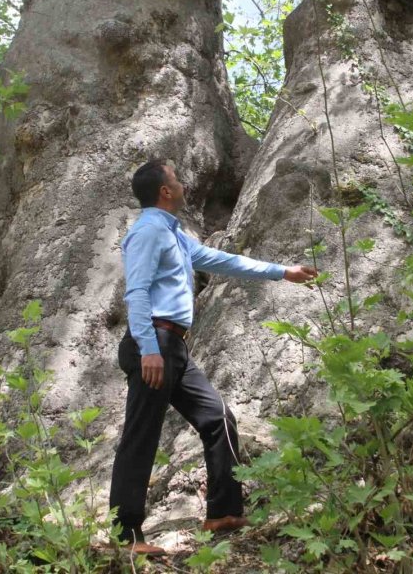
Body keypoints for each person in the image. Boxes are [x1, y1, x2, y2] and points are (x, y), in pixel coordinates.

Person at [109, 159, 318, 555]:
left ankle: (223, 511)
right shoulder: (149, 231)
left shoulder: (174, 234)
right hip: (152, 342)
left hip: (174, 347)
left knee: (218, 416)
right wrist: (149, 350)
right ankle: (126, 536)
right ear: (165, 191)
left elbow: (222, 261)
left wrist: (281, 272)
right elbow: (135, 293)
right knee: (141, 435)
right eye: (177, 177)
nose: (183, 181)